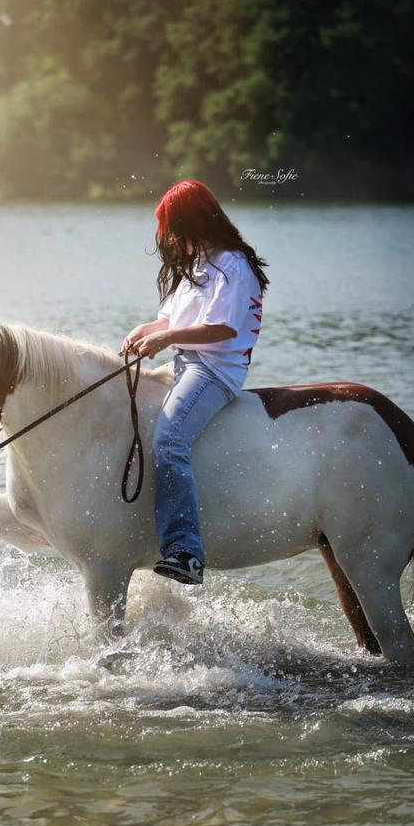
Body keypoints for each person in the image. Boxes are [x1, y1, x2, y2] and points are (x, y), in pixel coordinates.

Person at [121, 179, 269, 585]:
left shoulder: (233, 264)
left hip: (213, 371)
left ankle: (185, 550)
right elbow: (170, 320)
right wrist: (144, 329)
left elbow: (220, 329)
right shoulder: (197, 265)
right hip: (184, 365)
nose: (167, 236)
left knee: (169, 440)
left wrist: (165, 338)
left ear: (192, 222)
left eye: (171, 226)